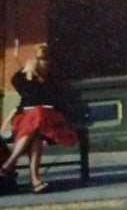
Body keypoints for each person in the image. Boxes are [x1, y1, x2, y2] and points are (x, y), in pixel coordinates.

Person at [0, 43, 78, 194]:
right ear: (33, 60)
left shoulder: (54, 78)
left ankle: (8, 165)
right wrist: (28, 76)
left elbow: (51, 100)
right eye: (41, 59)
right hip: (27, 119)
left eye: (47, 59)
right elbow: (28, 97)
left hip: (51, 118)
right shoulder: (21, 78)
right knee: (36, 129)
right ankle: (35, 180)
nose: (45, 62)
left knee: (38, 113)